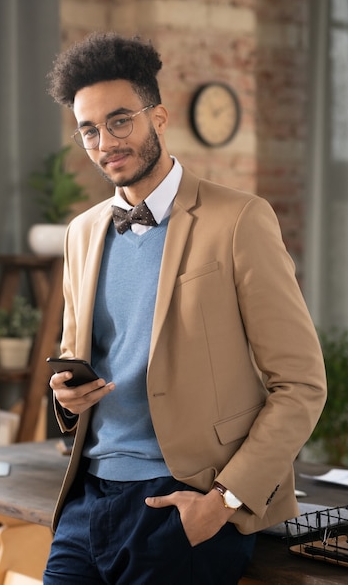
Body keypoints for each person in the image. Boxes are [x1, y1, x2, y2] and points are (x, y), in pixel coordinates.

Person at [43, 32, 327, 585]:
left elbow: (302, 384)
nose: (106, 142)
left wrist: (221, 502)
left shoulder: (240, 220)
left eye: (120, 121)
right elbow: (81, 357)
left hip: (181, 506)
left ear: (159, 117)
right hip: (86, 501)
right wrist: (68, 396)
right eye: (89, 130)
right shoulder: (81, 234)